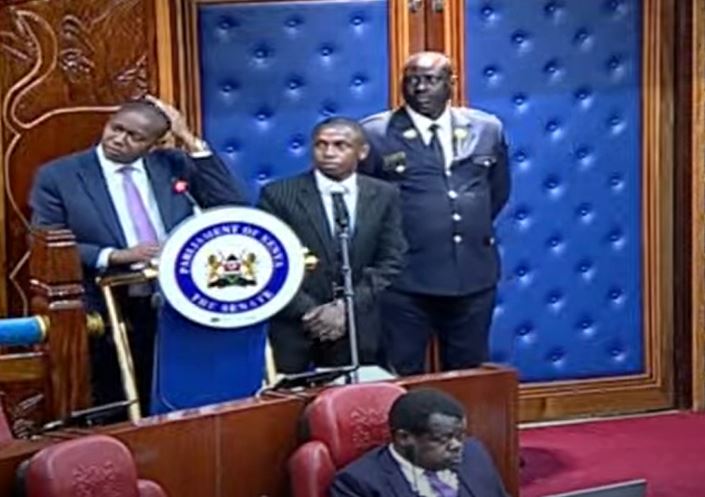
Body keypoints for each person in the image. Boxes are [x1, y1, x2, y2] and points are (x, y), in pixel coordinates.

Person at [29, 96, 247, 413]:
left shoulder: (172, 163)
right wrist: (114, 255)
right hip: (107, 305)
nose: (119, 139)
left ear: (155, 143)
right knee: (120, 398)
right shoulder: (59, 176)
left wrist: (188, 139)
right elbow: (47, 242)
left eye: (135, 137)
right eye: (116, 128)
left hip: (177, 299)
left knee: (181, 396)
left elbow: (231, 206)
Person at [359, 52, 511, 375]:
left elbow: (497, 193)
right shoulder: (374, 134)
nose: (419, 88)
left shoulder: (486, 128)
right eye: (411, 79)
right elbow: (364, 203)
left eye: (430, 80)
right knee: (400, 372)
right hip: (404, 280)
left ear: (451, 84)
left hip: (472, 274)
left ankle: (462, 427)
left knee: (469, 373)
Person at [257, 118, 406, 373]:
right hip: (296, 324)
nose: (328, 153)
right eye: (321, 145)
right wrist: (312, 312)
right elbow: (267, 262)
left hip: (358, 325)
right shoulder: (279, 194)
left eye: (340, 145)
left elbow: (391, 260)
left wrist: (346, 308)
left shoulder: (384, 194)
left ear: (362, 152)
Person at [330, 388, 510, 497]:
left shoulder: (474, 452)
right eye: (443, 438)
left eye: (460, 435)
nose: (457, 445)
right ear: (404, 438)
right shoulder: (358, 484)